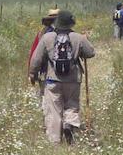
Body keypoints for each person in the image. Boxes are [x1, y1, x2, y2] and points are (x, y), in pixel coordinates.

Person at [29, 10, 95, 144]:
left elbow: (36, 59)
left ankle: (55, 142)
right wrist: (84, 41)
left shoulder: (47, 38)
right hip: (73, 79)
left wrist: (32, 74)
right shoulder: (78, 37)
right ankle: (69, 124)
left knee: (53, 110)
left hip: (52, 79)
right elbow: (90, 53)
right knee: (72, 105)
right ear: (71, 23)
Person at [28, 9, 58, 108]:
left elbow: (34, 54)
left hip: (46, 73)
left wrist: (32, 73)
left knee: (46, 100)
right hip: (67, 74)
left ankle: (48, 121)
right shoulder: (69, 33)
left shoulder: (42, 34)